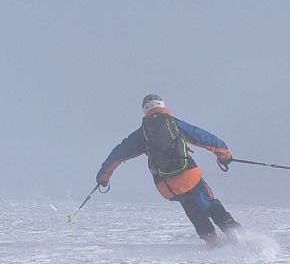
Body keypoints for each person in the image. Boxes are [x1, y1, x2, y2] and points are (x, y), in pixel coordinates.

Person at [96, 94, 240, 245]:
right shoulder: (174, 124)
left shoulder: (141, 134)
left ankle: (210, 239)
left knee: (190, 206)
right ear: (162, 105)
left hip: (167, 185)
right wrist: (225, 155)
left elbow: (117, 154)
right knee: (208, 203)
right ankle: (235, 233)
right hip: (188, 175)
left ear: (145, 111)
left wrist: (103, 178)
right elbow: (203, 137)